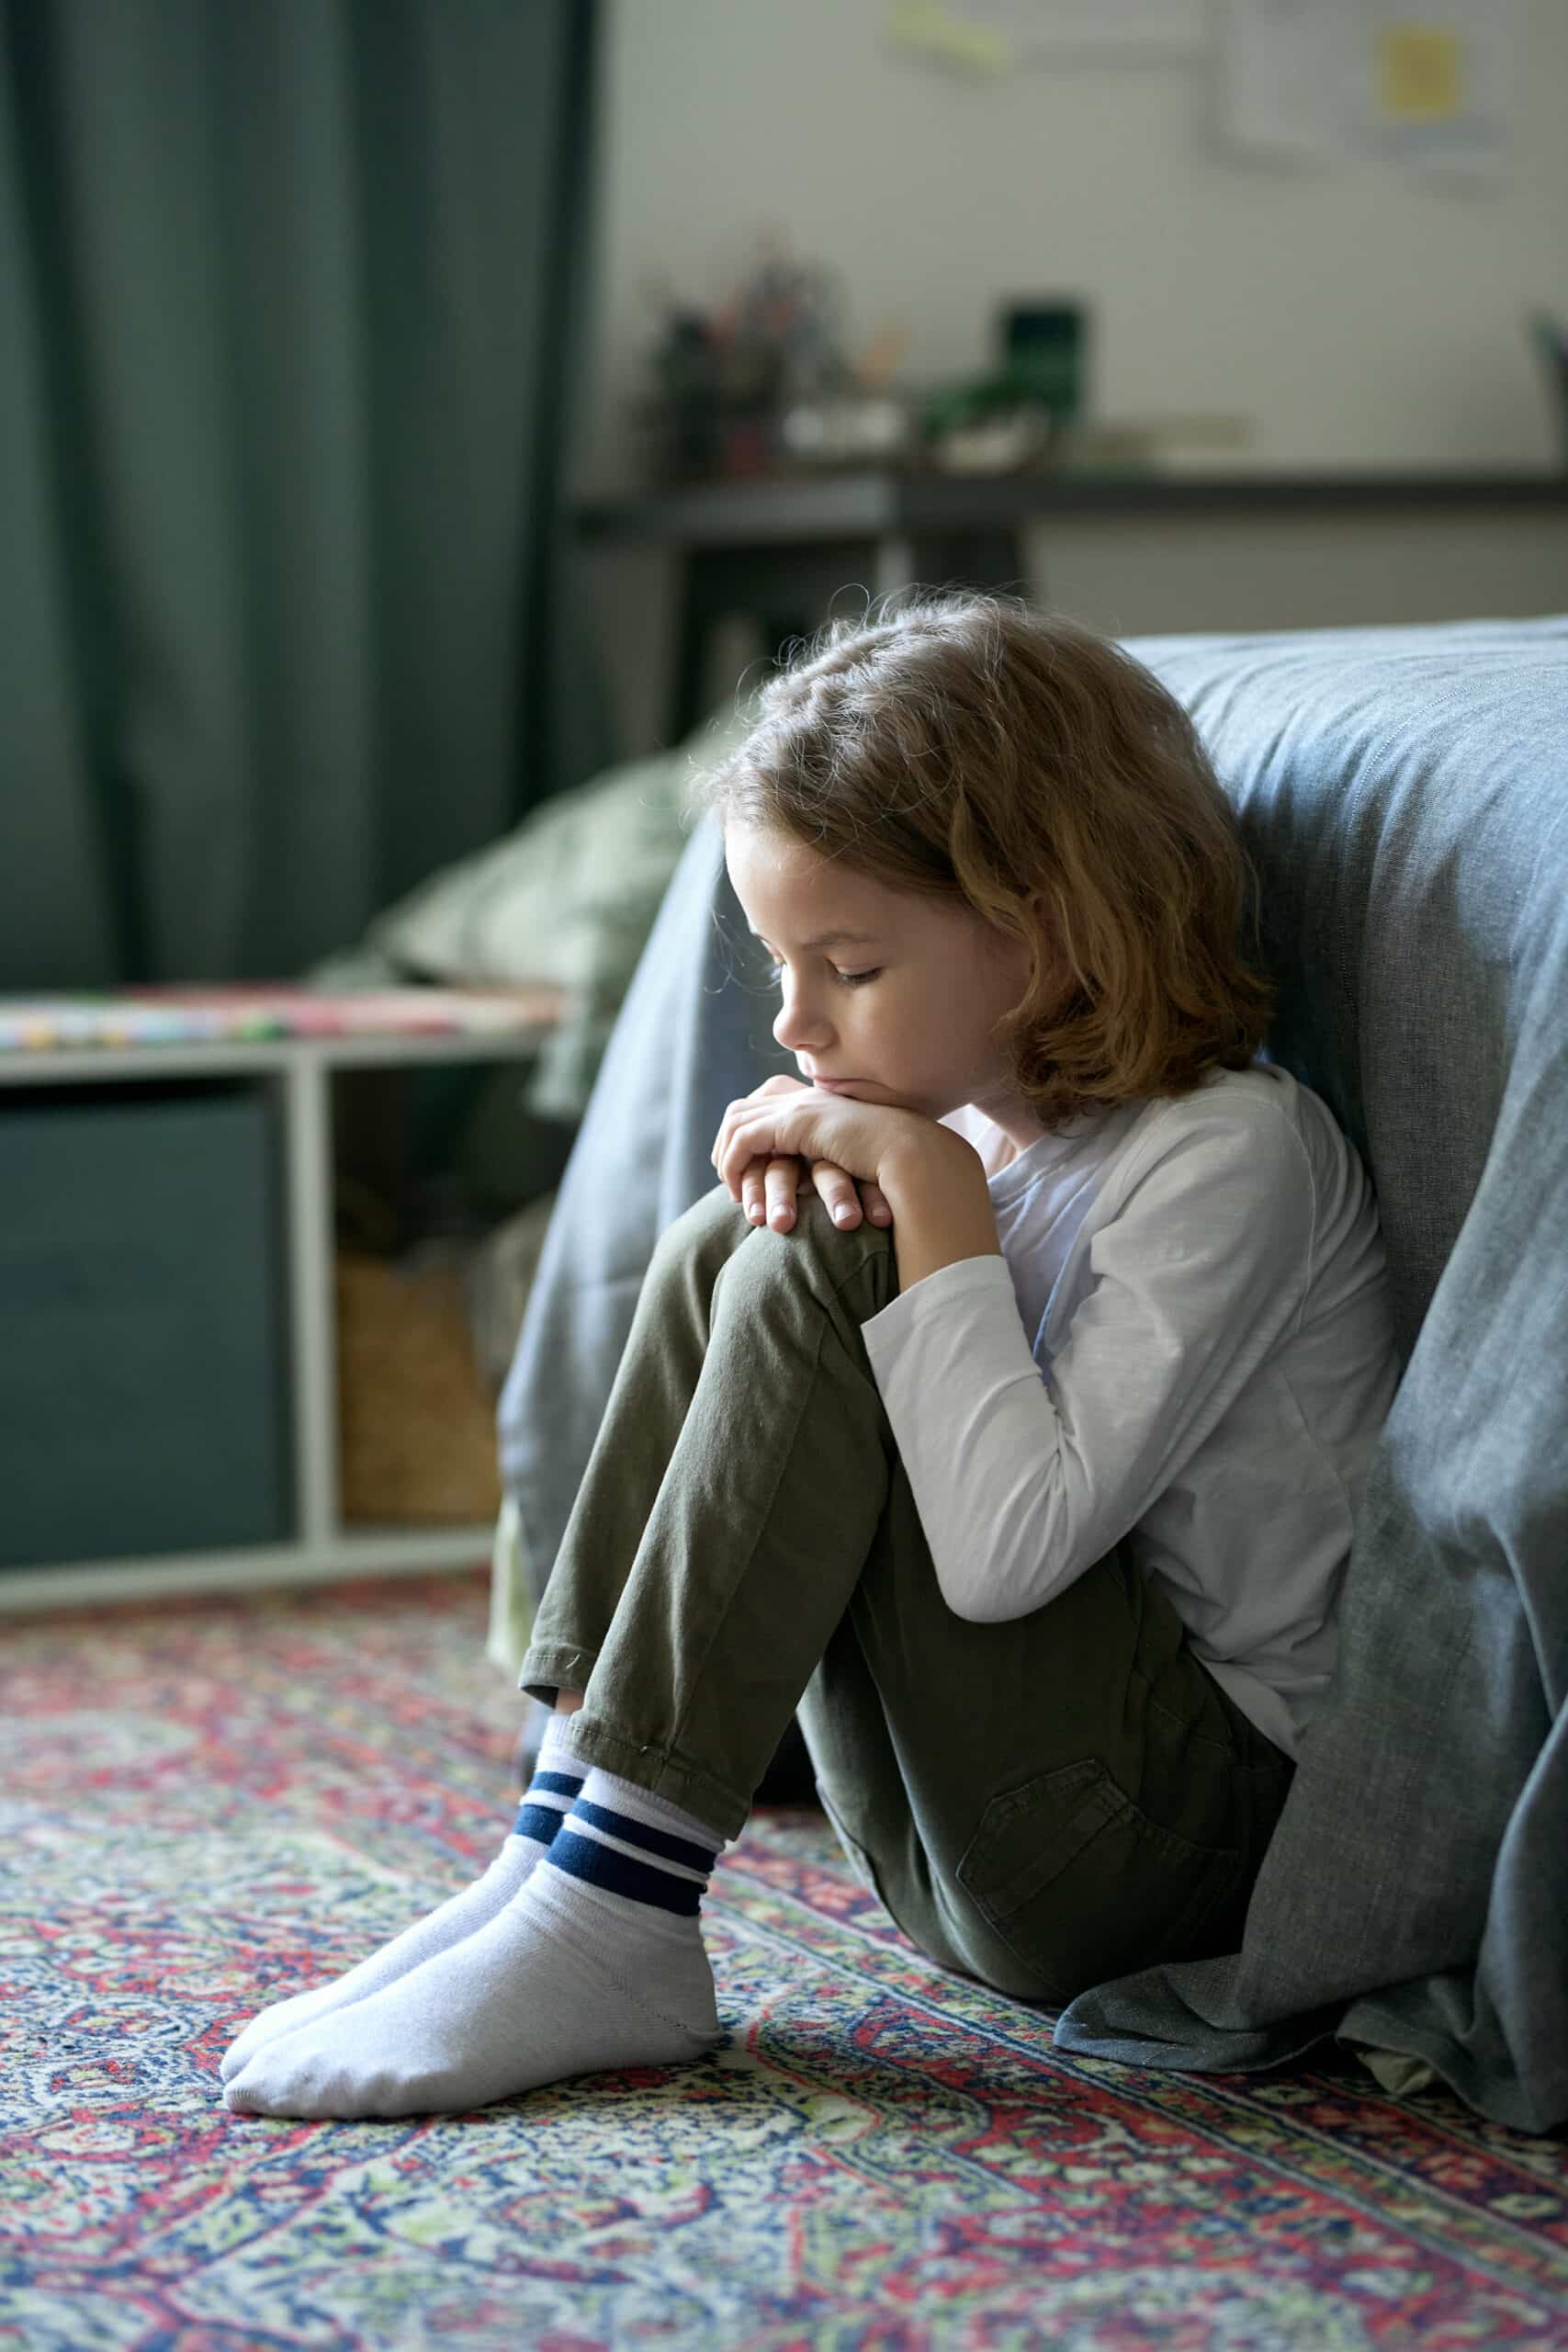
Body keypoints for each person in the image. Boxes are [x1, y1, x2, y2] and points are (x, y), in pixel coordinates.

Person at [220, 593, 1402, 2120]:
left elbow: (1003, 1556)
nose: (791, 1021)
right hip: (962, 1834)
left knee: (832, 1242)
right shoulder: (977, 1132)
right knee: (751, 1231)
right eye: (780, 960)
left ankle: (610, 1913)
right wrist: (903, 1182)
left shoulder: (1231, 1155)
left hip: (1172, 1853)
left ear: (1044, 931)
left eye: (847, 965)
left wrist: (924, 1197)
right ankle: (564, 1852)